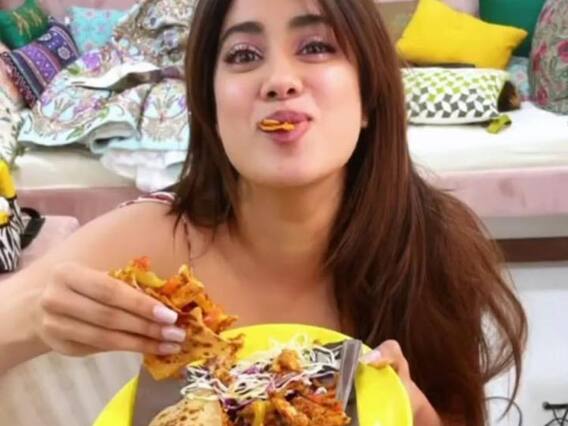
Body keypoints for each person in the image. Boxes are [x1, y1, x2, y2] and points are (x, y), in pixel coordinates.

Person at [0, 0, 526, 425]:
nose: (279, 80)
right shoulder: (149, 238)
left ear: (369, 96)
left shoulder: (431, 243)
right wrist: (34, 318)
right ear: (209, 107)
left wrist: (413, 412)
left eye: (315, 47)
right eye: (244, 55)